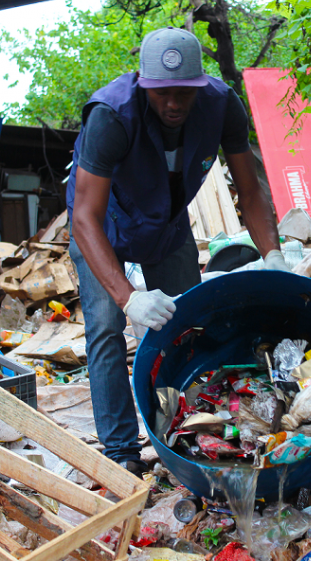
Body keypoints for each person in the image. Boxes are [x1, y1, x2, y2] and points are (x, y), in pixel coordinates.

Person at [67, 27, 290, 475]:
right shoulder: (112, 116)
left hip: (167, 228)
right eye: (161, 92)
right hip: (104, 229)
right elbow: (84, 218)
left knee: (189, 325)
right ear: (143, 84)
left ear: (200, 86)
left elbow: (249, 189)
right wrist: (129, 297)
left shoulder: (222, 106)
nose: (173, 102)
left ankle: (193, 432)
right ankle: (121, 453)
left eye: (183, 92)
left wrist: (274, 256)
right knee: (107, 330)